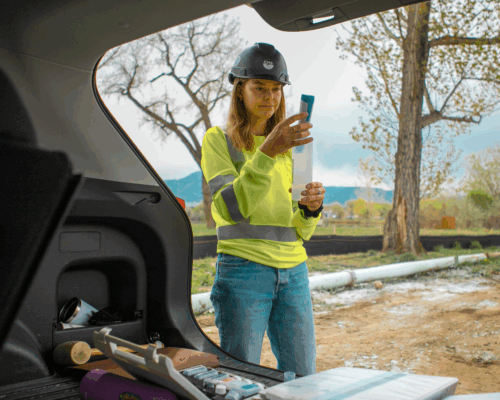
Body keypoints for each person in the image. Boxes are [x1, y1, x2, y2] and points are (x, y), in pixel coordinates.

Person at [200, 42, 325, 376]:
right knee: (239, 377)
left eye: (276, 89)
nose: (270, 97)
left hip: (294, 273)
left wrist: (311, 208)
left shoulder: (296, 147)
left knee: (303, 377)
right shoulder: (218, 140)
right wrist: (267, 151)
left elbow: (302, 230)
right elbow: (230, 209)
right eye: (260, 88)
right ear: (241, 90)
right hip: (243, 270)